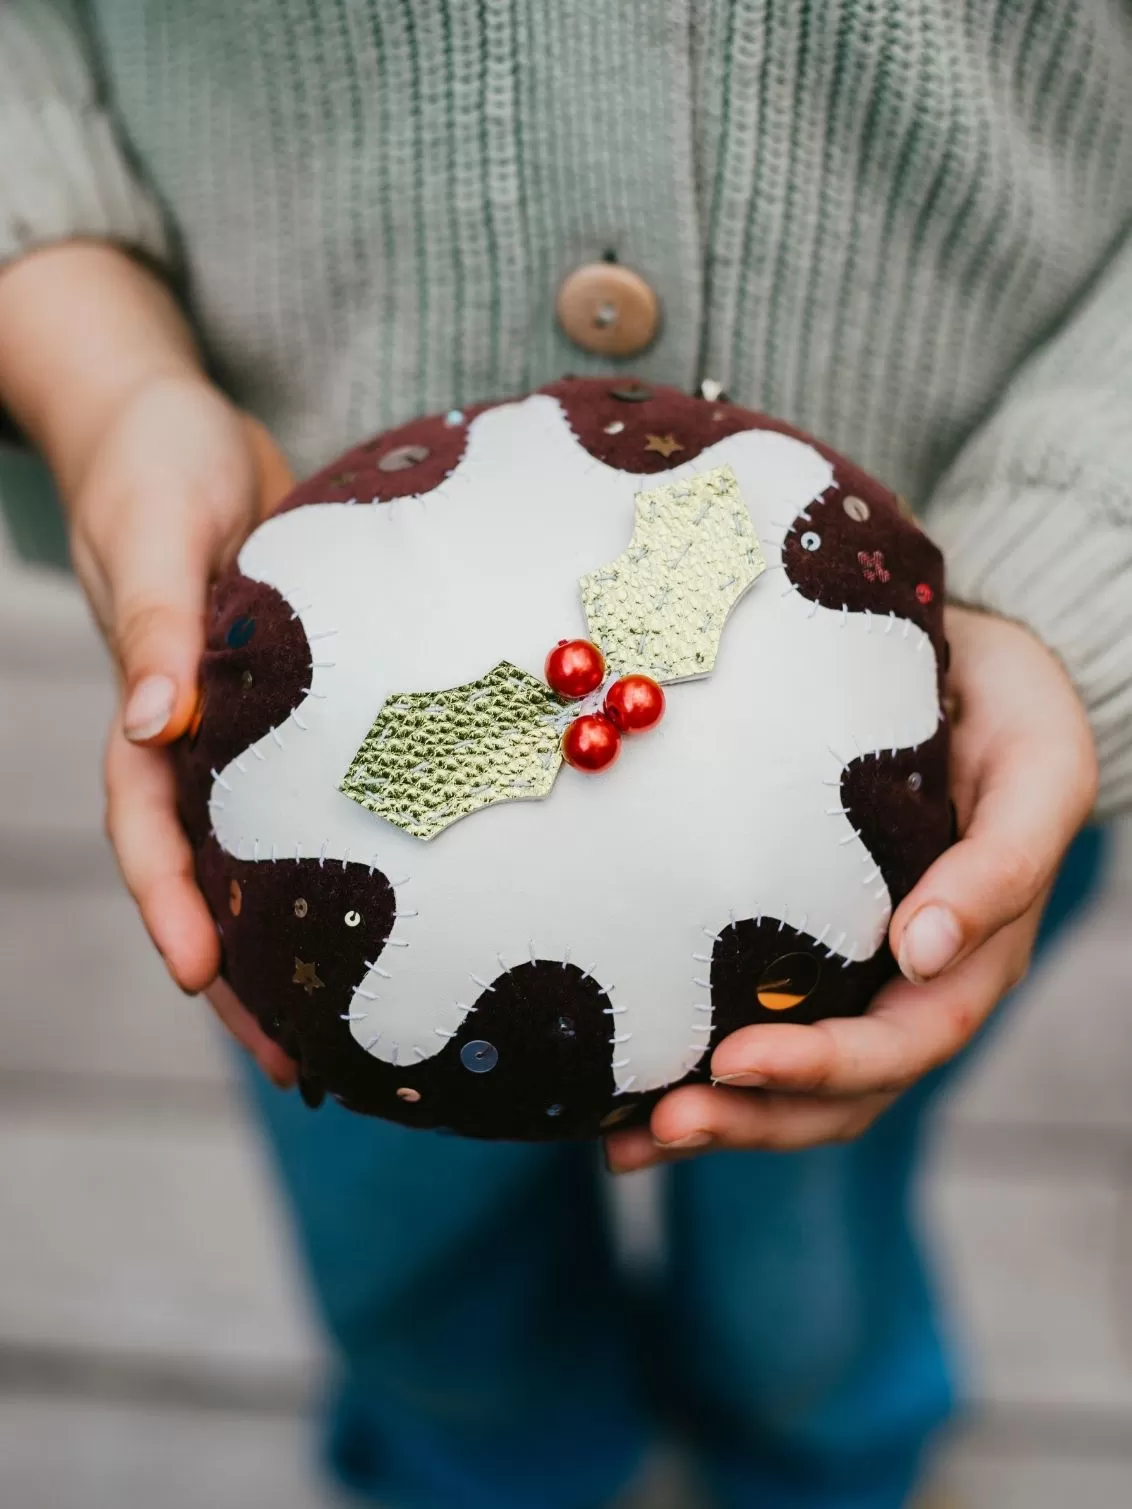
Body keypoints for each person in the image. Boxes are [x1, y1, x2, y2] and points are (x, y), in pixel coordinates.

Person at [0, 5, 1124, 1506]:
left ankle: (822, 1452)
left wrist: (1075, 556)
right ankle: (485, 1467)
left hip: (951, 761)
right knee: (415, 1257)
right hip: (313, 821)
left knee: (809, 1258)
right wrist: (108, 374)